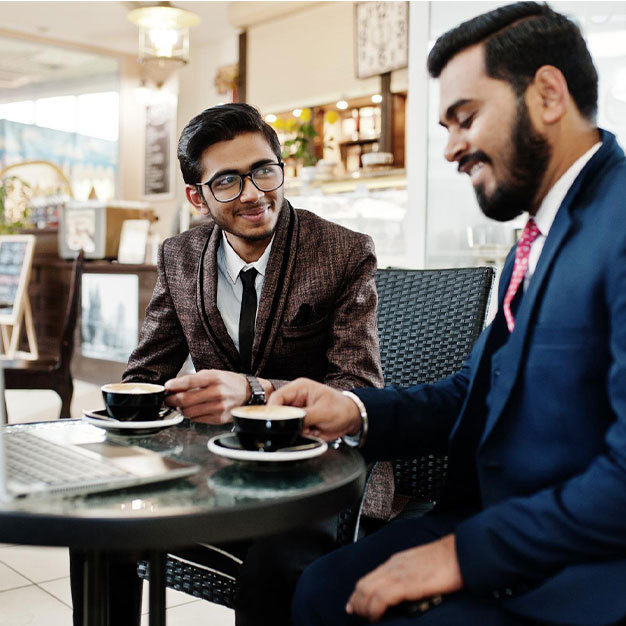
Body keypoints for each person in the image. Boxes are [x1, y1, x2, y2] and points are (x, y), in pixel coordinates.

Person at [269, 3, 626, 625]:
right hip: (495, 522)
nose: (451, 149)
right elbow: (475, 394)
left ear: (547, 94)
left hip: (584, 566)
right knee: (319, 586)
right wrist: (351, 409)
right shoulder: (539, 238)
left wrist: (465, 554)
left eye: (465, 118)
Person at [70, 102, 383, 626]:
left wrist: (254, 392)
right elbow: (145, 372)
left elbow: (358, 388)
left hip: (315, 477)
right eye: (228, 181)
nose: (256, 194)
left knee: (275, 568)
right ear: (197, 195)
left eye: (264, 170)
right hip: (212, 469)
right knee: (97, 526)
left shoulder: (343, 252)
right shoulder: (179, 254)